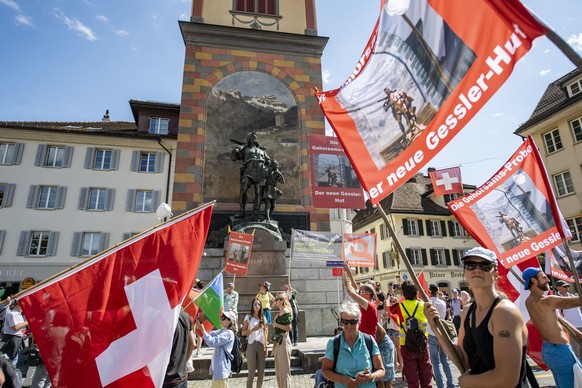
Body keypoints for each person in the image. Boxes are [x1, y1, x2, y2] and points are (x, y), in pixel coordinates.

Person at [425, 247, 528, 387]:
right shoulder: (468, 312)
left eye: (485, 265)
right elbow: (463, 359)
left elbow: (506, 379)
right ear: (465, 272)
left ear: (496, 273)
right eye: (470, 265)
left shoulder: (504, 312)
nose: (477, 269)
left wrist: (467, 381)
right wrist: (436, 328)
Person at [523, 267, 582, 387]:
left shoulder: (529, 301)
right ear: (534, 281)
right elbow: (578, 301)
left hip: (549, 350)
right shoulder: (547, 301)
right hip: (560, 351)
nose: (548, 280)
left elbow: (555, 319)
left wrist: (577, 334)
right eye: (544, 277)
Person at [321, 300, 385, 387]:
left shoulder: (369, 340)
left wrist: (371, 377)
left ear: (359, 321)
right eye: (345, 322)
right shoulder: (334, 343)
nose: (349, 326)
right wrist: (344, 380)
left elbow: (381, 370)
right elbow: (325, 370)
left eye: (353, 322)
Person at [390, 280, 432, 388]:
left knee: (411, 378)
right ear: (416, 292)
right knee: (426, 377)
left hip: (406, 345)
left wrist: (391, 294)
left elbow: (388, 308)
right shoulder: (423, 305)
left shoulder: (399, 306)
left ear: (403, 293)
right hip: (422, 343)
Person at [231, 131, 271, 219]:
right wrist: (236, 150)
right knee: (243, 190)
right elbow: (234, 158)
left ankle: (255, 212)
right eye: (252, 137)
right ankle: (242, 211)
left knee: (259, 193)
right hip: (249, 171)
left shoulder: (262, 151)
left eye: (255, 137)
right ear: (249, 139)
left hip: (261, 172)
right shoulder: (244, 149)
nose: (254, 138)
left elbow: (269, 162)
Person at [196, 310, 237, 387]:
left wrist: (203, 330)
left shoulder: (228, 333)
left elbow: (212, 341)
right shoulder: (223, 331)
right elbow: (209, 334)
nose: (221, 319)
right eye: (222, 317)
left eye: (224, 318)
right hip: (219, 371)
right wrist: (200, 322)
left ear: (230, 321)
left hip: (221, 371)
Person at [427, 284, 455, 388]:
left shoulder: (428, 303)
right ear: (438, 291)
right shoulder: (442, 302)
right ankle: (451, 383)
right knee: (445, 360)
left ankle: (440, 385)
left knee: (435, 361)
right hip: (442, 333)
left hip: (431, 333)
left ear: (429, 291)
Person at [343, 262, 378, 338]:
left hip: (367, 340)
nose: (359, 293)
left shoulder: (370, 306)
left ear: (368, 294)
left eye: (361, 292)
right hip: (362, 338)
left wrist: (348, 285)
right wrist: (348, 272)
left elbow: (352, 293)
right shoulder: (364, 304)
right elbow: (355, 288)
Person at [163, 309, 195, 388]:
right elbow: (193, 343)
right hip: (182, 376)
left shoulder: (162, 316)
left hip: (166, 378)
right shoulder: (185, 316)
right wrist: (184, 362)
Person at [242, 298, 268, 388]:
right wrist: (253, 329)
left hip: (261, 345)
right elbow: (243, 332)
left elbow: (265, 333)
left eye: (258, 304)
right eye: (255, 304)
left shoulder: (263, 318)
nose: (257, 306)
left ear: (261, 306)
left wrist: (266, 347)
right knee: (251, 373)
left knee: (261, 373)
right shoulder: (248, 317)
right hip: (251, 346)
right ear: (252, 306)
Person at [555, 279, 582, 361]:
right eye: (564, 286)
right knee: (575, 350)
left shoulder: (573, 296)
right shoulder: (556, 298)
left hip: (580, 324)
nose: (567, 288)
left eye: (568, 286)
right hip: (570, 327)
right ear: (558, 288)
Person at [272, 293, 293, 388]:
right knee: (279, 370)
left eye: (277, 299)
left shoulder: (285, 310)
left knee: (284, 371)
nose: (275, 301)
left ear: (281, 301)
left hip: (283, 340)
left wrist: (276, 324)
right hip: (278, 341)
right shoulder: (280, 311)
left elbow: (289, 327)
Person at [1, 300, 27, 367]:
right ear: (16, 305)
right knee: (11, 358)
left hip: (16, 338)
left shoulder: (18, 313)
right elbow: (15, 327)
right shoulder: (12, 314)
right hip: (11, 338)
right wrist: (27, 322)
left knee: (14, 357)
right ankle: (10, 374)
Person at [385, 296, 403, 373]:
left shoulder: (397, 309)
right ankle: (395, 363)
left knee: (398, 349)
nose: (392, 302)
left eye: (394, 301)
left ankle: (401, 365)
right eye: (391, 301)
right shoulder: (390, 311)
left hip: (396, 330)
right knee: (393, 349)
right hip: (389, 330)